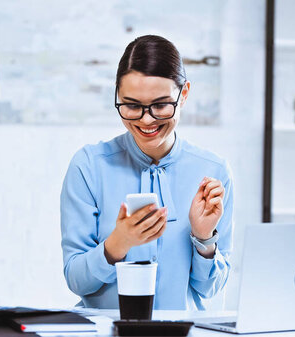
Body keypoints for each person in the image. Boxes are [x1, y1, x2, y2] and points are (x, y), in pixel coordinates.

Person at [60, 35, 233, 310]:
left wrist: (203, 238)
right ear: (117, 95)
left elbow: (210, 288)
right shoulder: (88, 166)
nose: (146, 119)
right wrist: (118, 243)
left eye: (161, 105)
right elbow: (76, 280)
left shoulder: (213, 171)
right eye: (131, 105)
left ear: (184, 94)